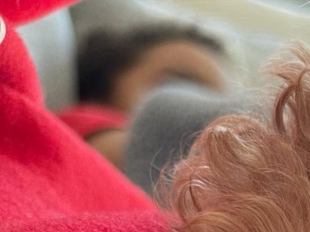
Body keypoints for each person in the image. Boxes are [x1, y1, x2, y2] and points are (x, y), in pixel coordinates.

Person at [57, 22, 228, 169]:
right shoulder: (87, 123)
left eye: (213, 103)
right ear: (105, 81)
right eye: (177, 87)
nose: (201, 112)